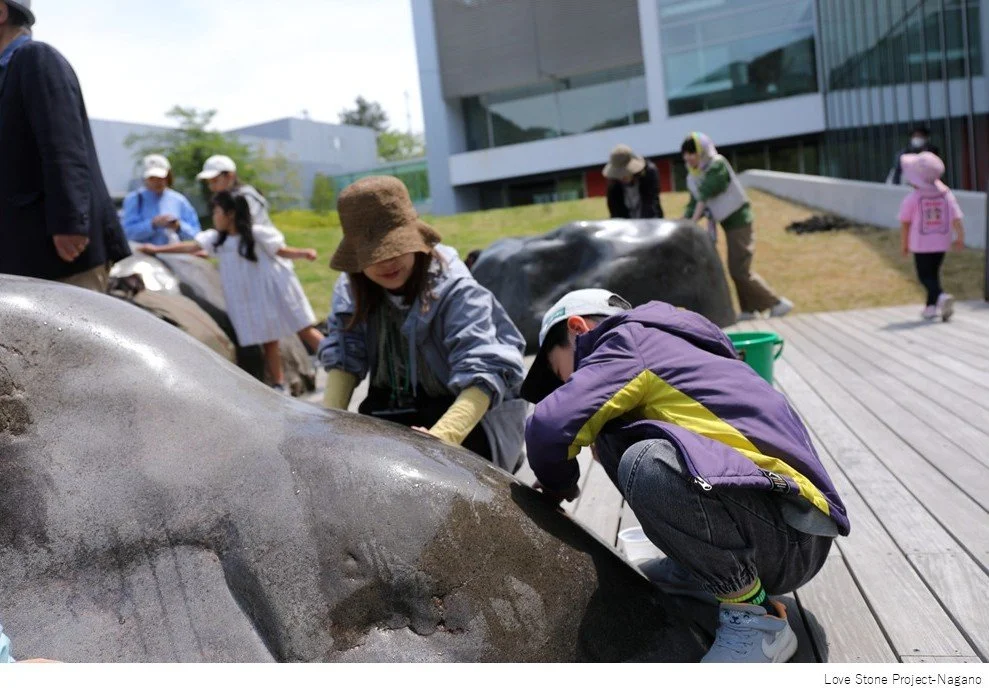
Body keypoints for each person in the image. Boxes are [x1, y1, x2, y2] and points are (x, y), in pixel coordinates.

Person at [521, 289, 849, 663]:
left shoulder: (626, 340)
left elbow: (549, 425)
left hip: (789, 536)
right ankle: (694, 571)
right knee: (612, 434)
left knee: (647, 460)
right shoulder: (672, 344)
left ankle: (755, 618)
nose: (565, 385)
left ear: (577, 328)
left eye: (559, 371)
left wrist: (559, 484)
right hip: (785, 525)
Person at [317, 176, 528, 473]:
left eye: (396, 248)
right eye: (375, 255)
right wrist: (327, 427)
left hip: (462, 414)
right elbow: (344, 353)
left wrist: (442, 439)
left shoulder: (458, 291)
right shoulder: (351, 288)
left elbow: (485, 369)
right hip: (391, 406)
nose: (387, 262)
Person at [0, 0, 130, 292]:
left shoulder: (34, 57)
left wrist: (70, 223)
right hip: (24, 259)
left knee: (75, 335)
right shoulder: (7, 73)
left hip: (62, 256)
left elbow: (64, 144)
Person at [138, 191, 323, 393]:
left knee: (296, 330)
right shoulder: (219, 240)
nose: (215, 216)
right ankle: (278, 384)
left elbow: (280, 250)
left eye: (218, 211)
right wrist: (157, 250)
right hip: (247, 299)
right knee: (268, 340)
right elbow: (190, 247)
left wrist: (303, 253)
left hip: (268, 294)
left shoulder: (256, 234)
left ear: (231, 214)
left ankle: (338, 360)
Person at [682, 133, 793, 321]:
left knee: (739, 269)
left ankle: (777, 303)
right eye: (685, 153)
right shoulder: (692, 176)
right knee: (737, 270)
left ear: (702, 151)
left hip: (739, 221)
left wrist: (691, 221)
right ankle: (749, 311)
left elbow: (706, 194)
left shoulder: (717, 165)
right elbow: (694, 203)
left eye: (692, 152)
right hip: (726, 222)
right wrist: (683, 221)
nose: (688, 157)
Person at [898, 151, 965, 321]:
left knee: (924, 276)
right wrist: (960, 237)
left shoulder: (912, 198)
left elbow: (905, 224)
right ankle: (930, 308)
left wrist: (904, 245)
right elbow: (956, 218)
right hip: (941, 242)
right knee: (933, 274)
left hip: (921, 244)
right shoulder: (946, 195)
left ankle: (941, 297)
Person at [121, 154, 201, 244]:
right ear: (145, 179)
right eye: (152, 178)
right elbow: (127, 233)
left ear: (168, 177)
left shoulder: (179, 200)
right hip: (144, 256)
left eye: (160, 178)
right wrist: (152, 224)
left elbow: (196, 234)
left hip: (173, 254)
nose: (157, 182)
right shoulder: (134, 199)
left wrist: (178, 226)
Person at [196, 154, 273, 226]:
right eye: (208, 183)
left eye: (215, 181)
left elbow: (250, 229)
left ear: (230, 175)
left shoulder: (246, 197)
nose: (211, 187)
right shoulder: (224, 199)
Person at [604, 145, 665, 219]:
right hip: (626, 225)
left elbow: (650, 204)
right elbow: (615, 213)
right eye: (619, 174)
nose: (622, 177)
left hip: (650, 221)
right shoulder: (613, 185)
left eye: (625, 173)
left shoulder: (649, 172)